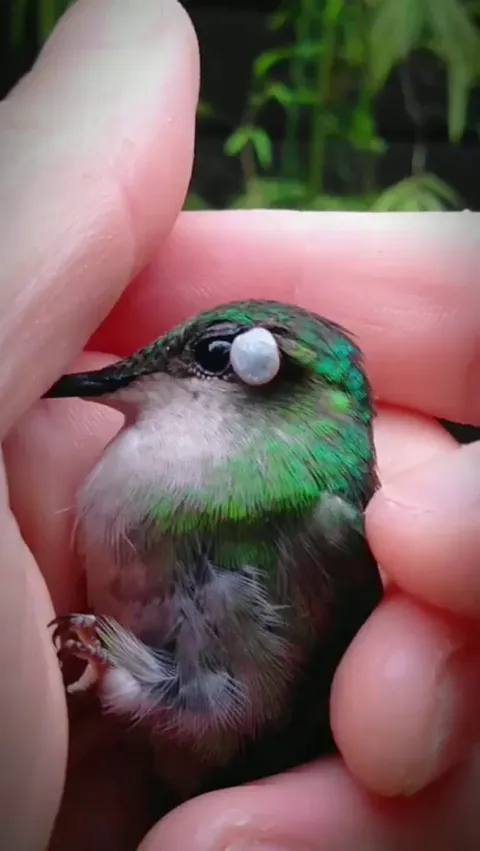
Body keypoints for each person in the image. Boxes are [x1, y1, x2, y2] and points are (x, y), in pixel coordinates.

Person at [1, 1, 479, 849]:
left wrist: (110, 658)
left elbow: (222, 705)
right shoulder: (122, 461)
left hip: (212, 763)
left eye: (213, 356)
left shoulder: (322, 525)